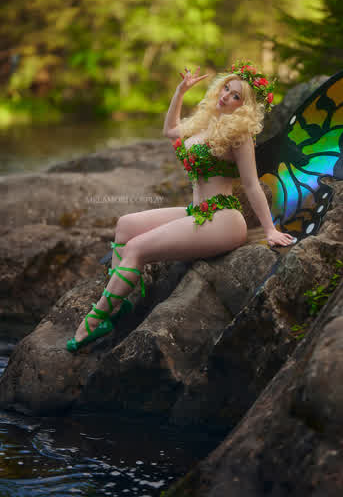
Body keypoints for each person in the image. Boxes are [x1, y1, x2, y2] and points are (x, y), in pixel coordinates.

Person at [66, 62, 294, 352]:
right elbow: (170, 130)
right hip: (198, 212)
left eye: (236, 95)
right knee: (125, 225)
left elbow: (251, 184)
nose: (226, 95)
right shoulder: (206, 124)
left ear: (245, 106)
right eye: (226, 88)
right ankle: (119, 304)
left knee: (135, 248)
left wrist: (269, 229)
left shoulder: (240, 135)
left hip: (223, 219)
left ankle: (94, 321)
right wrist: (181, 91)